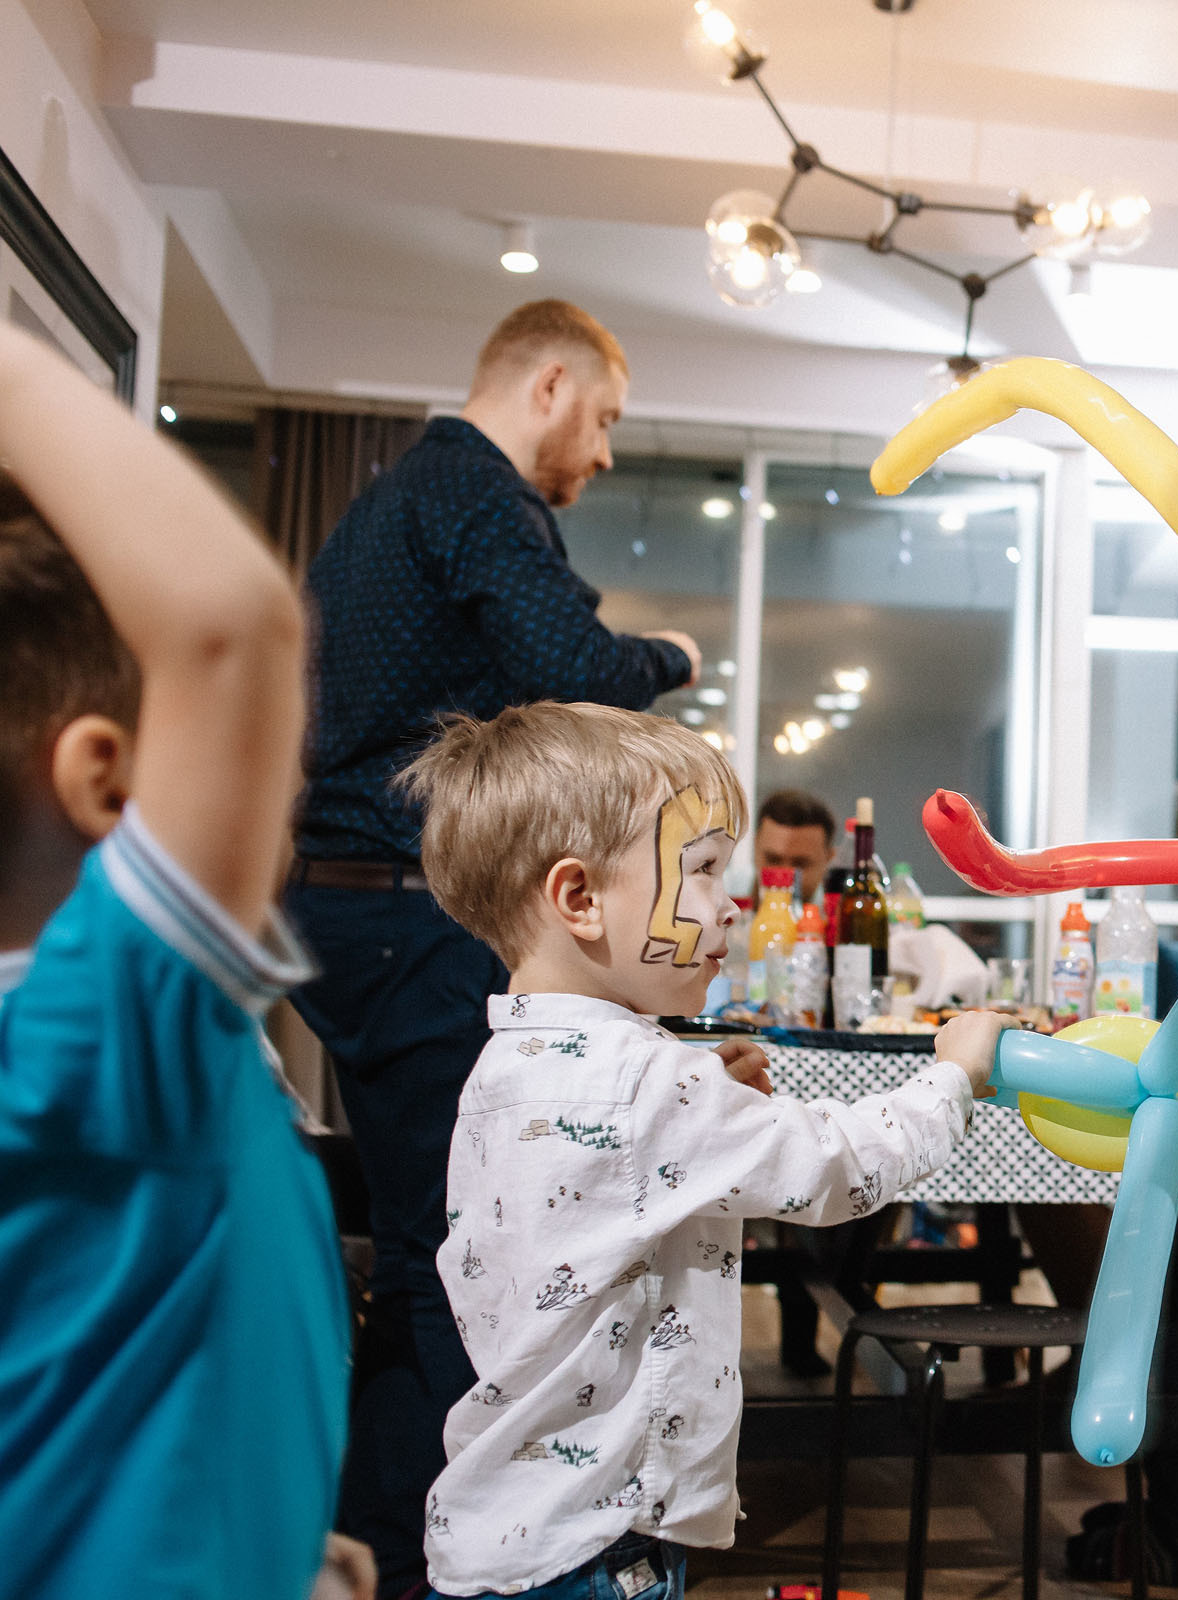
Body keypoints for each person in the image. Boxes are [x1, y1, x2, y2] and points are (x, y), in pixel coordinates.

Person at [287, 299, 702, 1596]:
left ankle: (377, 1541)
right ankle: (454, 1562)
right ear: (551, 386)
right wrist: (674, 652)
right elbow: (575, 659)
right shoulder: (473, 491)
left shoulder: (390, 505)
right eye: (608, 419)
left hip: (349, 906)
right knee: (464, 1255)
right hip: (407, 916)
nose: (607, 451)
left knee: (429, 1245)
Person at [397, 701, 996, 1598]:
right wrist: (950, 1077)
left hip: (508, 1527)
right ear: (579, 899)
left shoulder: (508, 1064)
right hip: (597, 1544)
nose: (731, 903)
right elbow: (836, 1166)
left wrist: (700, 1088)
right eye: (705, 869)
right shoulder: (646, 1086)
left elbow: (603, 1176)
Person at [0, 325, 371, 1596]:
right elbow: (231, 626)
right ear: (108, 780)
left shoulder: (95, 1059)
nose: (277, 798)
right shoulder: (92, 1028)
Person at [755, 787, 839, 902]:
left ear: (828, 860)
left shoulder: (841, 913)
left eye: (800, 864)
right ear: (755, 848)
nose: (784, 879)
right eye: (773, 860)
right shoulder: (727, 895)